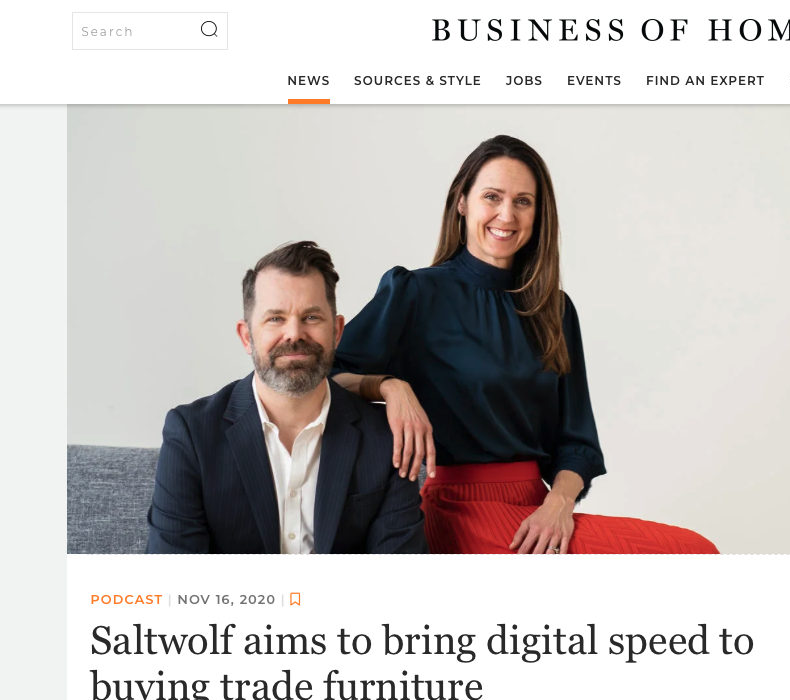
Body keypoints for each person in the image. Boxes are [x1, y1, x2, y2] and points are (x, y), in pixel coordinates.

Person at [332, 135, 717, 554]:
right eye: (492, 197)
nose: (506, 214)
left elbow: (577, 445)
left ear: (538, 214)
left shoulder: (554, 310)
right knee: (690, 553)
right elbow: (327, 380)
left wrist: (558, 504)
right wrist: (389, 386)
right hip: (454, 510)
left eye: (523, 201)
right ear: (462, 202)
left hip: (540, 512)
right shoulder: (415, 293)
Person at [146, 241, 427, 554]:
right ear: (246, 336)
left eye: (311, 317)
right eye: (275, 318)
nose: (294, 334)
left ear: (337, 332)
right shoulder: (192, 434)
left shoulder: (385, 439)